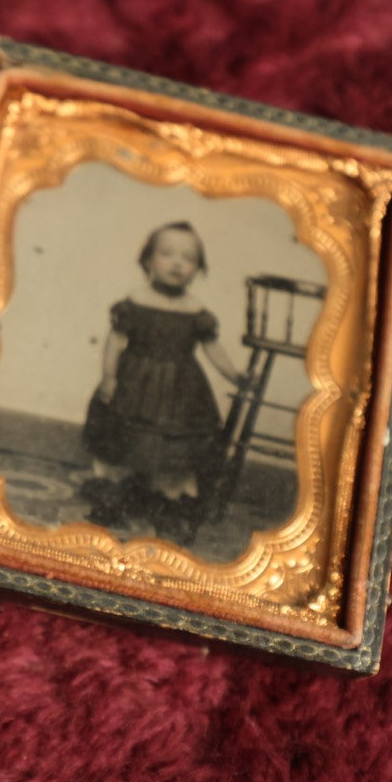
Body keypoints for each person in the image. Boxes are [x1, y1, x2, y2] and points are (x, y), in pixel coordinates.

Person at [80, 221, 245, 544]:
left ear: (198, 269)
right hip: (135, 382)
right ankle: (117, 495)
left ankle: (167, 502)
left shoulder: (195, 310)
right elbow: (115, 341)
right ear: (148, 261)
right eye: (167, 254)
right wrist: (109, 377)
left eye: (189, 258)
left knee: (175, 445)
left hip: (180, 389)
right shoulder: (136, 301)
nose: (178, 263)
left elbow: (212, 347)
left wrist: (233, 374)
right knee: (126, 437)